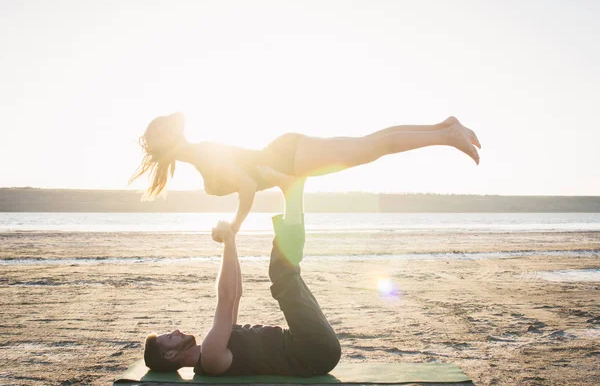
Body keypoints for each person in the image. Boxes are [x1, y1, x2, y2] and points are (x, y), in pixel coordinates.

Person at [130, 114, 481, 236]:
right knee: (371, 144)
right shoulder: (200, 155)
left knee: (374, 148)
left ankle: (444, 135)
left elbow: (249, 186)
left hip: (289, 156)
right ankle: (444, 127)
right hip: (288, 155)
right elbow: (252, 179)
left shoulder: (204, 154)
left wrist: (235, 227)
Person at [143, 178, 341, 376]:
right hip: (312, 351)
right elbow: (226, 297)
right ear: (170, 355)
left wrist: (231, 240)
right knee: (283, 274)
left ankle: (294, 190)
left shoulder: (215, 344)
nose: (176, 331)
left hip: (312, 347)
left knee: (287, 274)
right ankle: (293, 190)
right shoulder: (211, 356)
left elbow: (235, 294)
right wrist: (227, 239)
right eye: (170, 337)